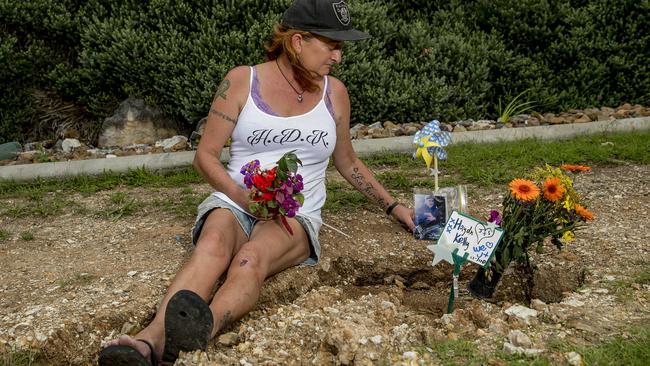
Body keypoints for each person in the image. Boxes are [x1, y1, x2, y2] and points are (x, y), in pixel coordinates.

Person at [98, 0, 414, 364]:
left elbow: (347, 160)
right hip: (235, 199)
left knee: (251, 257)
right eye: (332, 45)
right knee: (213, 244)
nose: (338, 57)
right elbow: (205, 155)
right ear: (298, 41)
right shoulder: (241, 81)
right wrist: (240, 197)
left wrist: (393, 206)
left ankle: (200, 330)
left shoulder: (335, 93)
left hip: (296, 212)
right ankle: (148, 339)